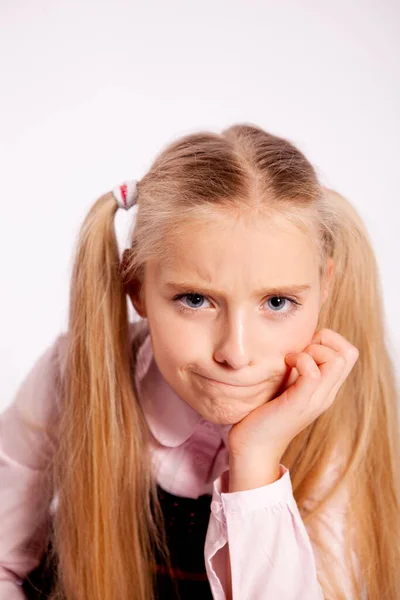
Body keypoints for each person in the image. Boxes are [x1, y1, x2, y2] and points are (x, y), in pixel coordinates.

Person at [1, 123, 399, 600]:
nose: (236, 352)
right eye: (195, 299)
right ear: (137, 289)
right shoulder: (72, 376)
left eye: (276, 303)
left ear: (325, 288)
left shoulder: (343, 432)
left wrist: (255, 459)